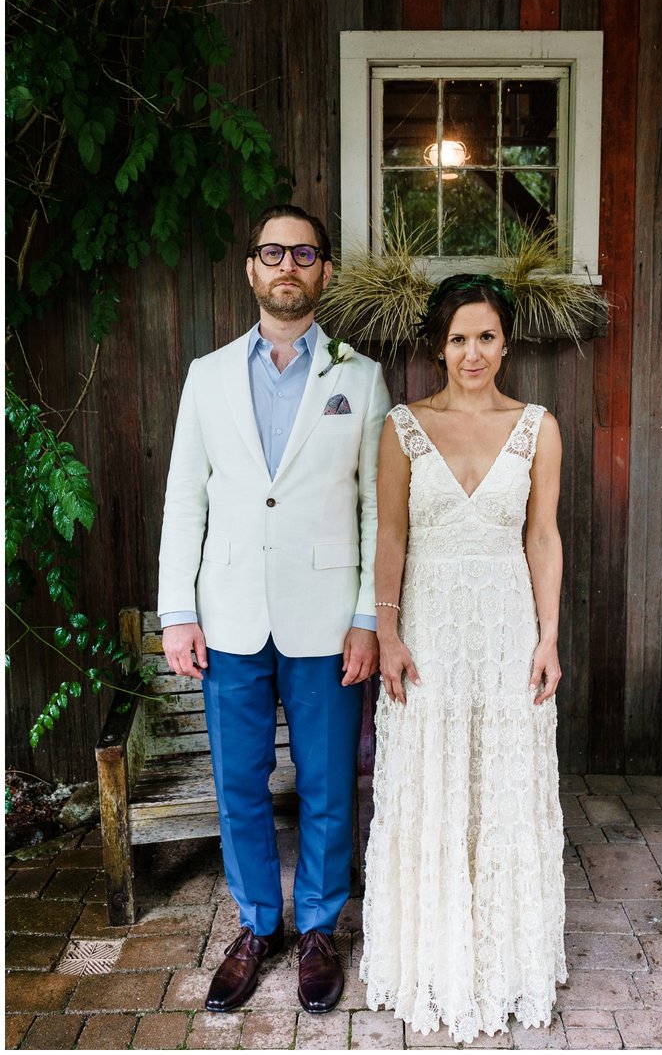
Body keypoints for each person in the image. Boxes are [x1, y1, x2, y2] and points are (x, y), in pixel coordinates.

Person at [157, 203, 385, 1014]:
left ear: (323, 271)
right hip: (230, 615)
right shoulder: (207, 374)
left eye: (304, 252)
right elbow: (186, 498)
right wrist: (175, 611)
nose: (287, 264)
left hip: (328, 618)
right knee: (239, 784)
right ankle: (257, 924)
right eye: (272, 251)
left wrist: (369, 615)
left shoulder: (358, 375)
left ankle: (319, 926)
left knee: (327, 784)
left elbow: (375, 511)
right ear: (251, 268)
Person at [360, 275, 568, 1042]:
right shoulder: (403, 426)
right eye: (458, 338)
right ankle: (432, 958)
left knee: (502, 783)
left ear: (505, 341)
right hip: (431, 628)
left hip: (509, 626)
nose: (472, 352)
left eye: (485, 336)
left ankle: (506, 961)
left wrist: (549, 636)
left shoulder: (538, 426)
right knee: (433, 781)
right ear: (436, 347)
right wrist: (387, 633)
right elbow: (390, 536)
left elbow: (542, 537)